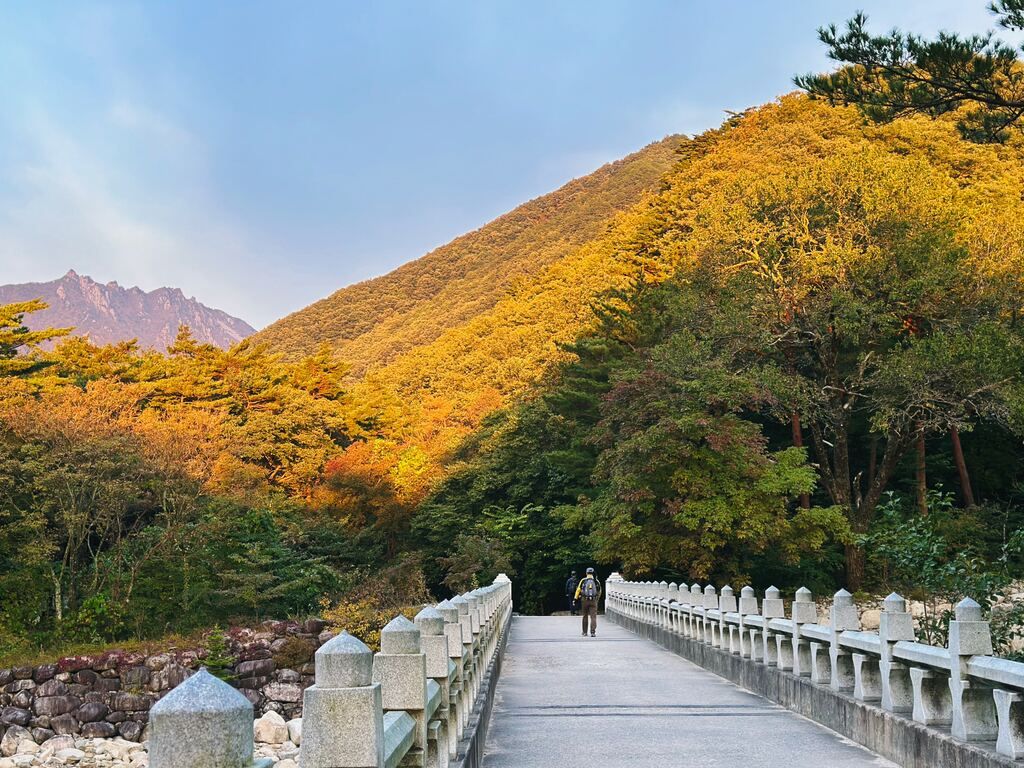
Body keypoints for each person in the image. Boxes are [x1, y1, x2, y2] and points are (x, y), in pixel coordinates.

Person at [574, 567, 602, 637]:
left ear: (586, 573)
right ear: (593, 573)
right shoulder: (596, 581)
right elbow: (599, 591)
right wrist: (597, 599)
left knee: (585, 616)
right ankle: (593, 632)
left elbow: (578, 590)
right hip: (593, 600)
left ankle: (584, 632)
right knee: (593, 617)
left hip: (584, 600)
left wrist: (575, 599)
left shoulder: (583, 580)